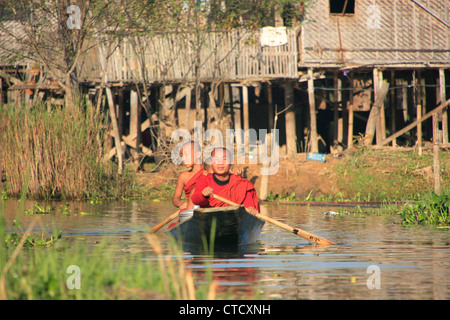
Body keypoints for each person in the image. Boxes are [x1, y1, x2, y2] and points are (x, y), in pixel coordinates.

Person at [191, 147, 259, 215]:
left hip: (235, 219)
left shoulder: (242, 184)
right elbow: (195, 200)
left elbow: (249, 206)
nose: (220, 163)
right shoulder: (204, 180)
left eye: (224, 159)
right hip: (210, 218)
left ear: (231, 163)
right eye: (216, 159)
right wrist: (203, 195)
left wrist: (251, 209)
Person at [172, 141, 204, 211]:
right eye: (182, 155)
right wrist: (180, 204)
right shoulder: (183, 176)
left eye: (186, 154)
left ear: (198, 154)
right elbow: (175, 198)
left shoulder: (209, 171)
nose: (183, 159)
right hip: (191, 209)